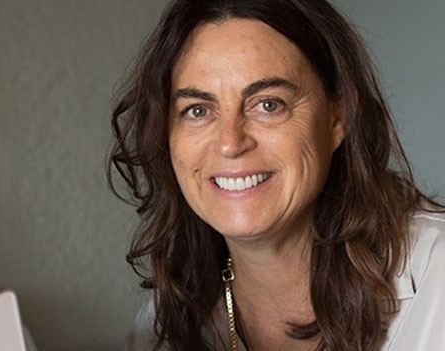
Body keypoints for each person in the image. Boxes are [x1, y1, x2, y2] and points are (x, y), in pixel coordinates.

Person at [107, 0, 445, 350]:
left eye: (269, 104)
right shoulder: (164, 322)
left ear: (337, 117)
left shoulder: (438, 281)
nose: (230, 143)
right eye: (197, 110)